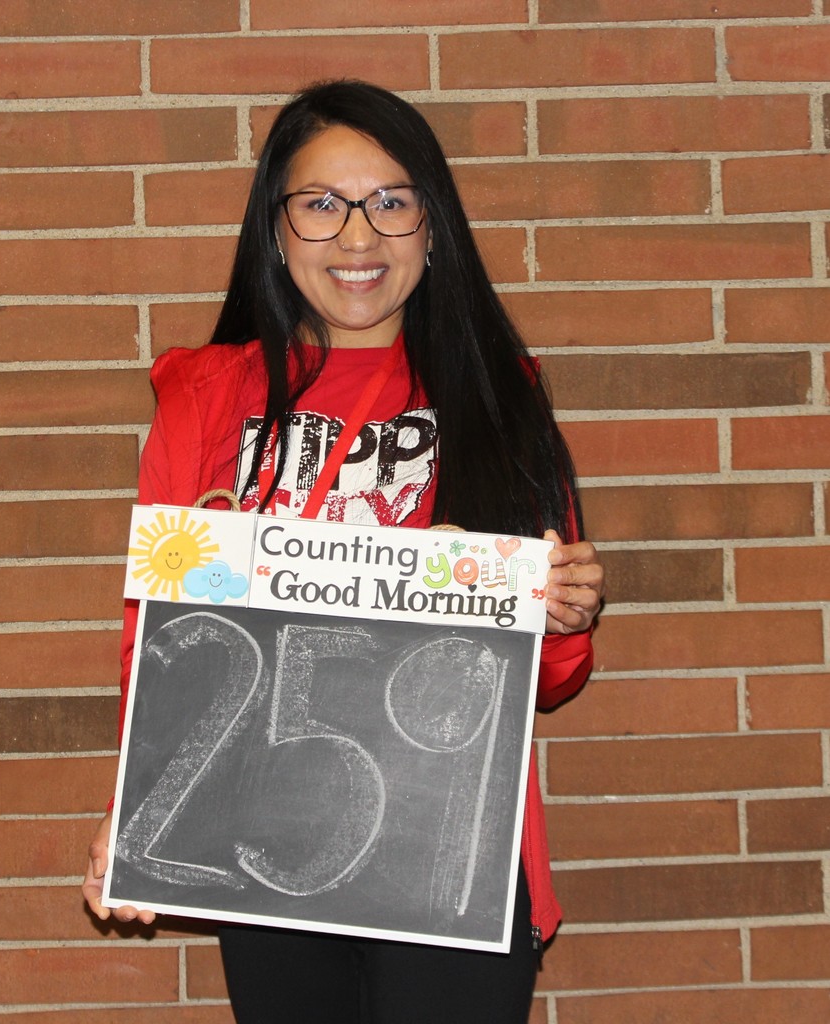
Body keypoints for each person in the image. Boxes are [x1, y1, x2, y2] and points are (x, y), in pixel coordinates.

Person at [83, 79, 604, 1023]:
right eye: (321, 205)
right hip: (264, 843)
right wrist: (143, 812)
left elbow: (553, 673)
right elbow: (156, 643)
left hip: (453, 857)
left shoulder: (499, 399)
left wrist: (562, 615)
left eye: (390, 203)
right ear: (275, 232)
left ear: (432, 227)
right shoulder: (206, 399)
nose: (357, 237)